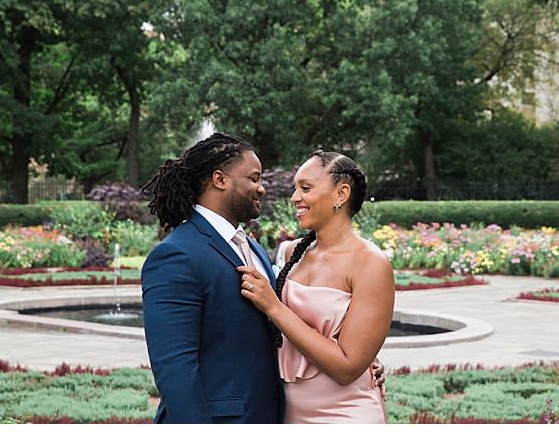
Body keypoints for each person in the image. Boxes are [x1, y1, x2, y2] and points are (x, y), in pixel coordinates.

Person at [140, 134, 385, 423]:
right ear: (220, 180)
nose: (263, 188)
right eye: (254, 178)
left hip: (290, 413)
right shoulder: (177, 255)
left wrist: (362, 354)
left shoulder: (251, 247)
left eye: (305, 187)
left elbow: (278, 324)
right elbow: (174, 371)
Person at [239, 150, 395, 423]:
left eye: (306, 188)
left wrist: (274, 307)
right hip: (286, 412)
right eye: (295, 188)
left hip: (345, 414)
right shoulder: (290, 253)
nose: (295, 197)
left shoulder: (371, 264)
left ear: (341, 194)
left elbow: (347, 367)